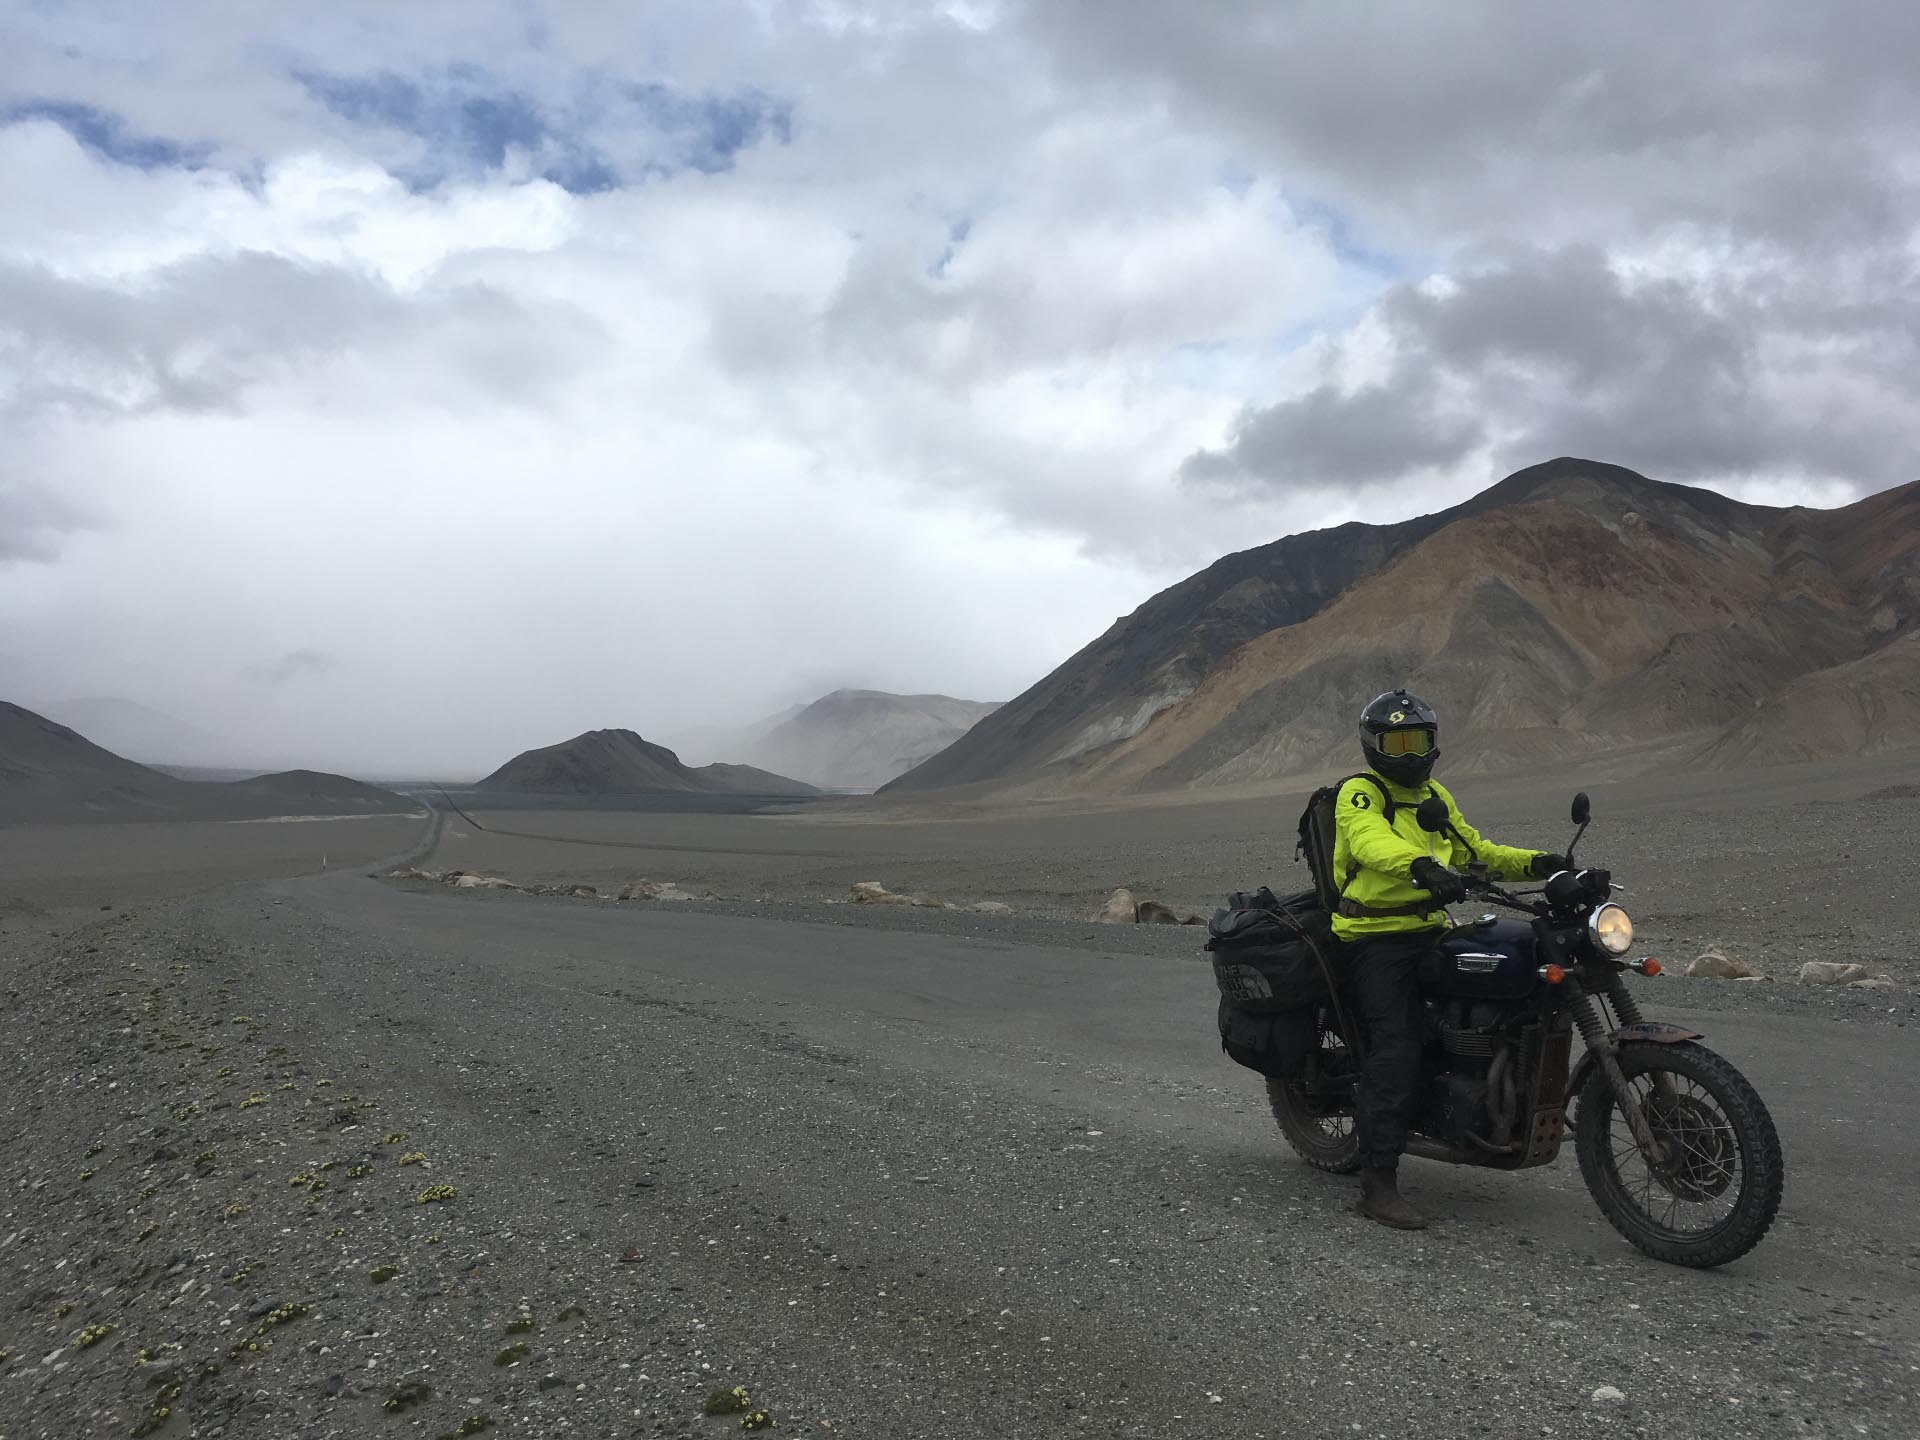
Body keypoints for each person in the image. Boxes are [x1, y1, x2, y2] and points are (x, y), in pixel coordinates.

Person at [1331, 689, 1567, 1230]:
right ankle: (1378, 1185)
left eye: (1420, 740)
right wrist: (1420, 866)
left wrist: (1540, 864)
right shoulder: (1359, 795)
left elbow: (1472, 849)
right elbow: (1370, 845)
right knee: (1397, 1050)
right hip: (1375, 936)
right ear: (1375, 746)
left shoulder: (1435, 795)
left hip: (1430, 929)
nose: (1411, 753)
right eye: (1399, 742)